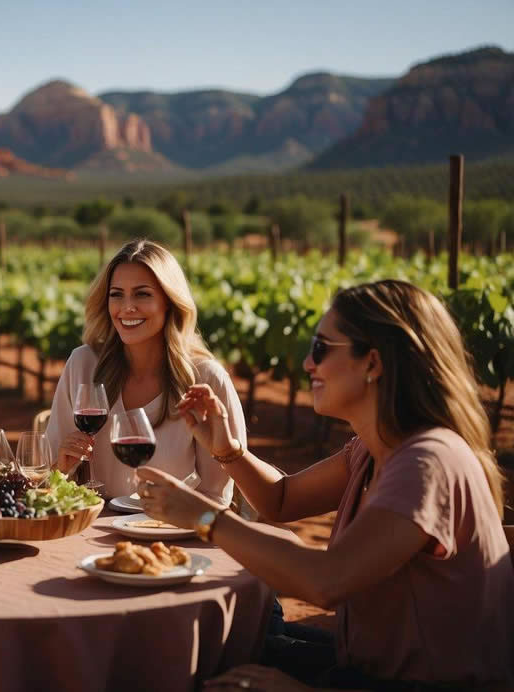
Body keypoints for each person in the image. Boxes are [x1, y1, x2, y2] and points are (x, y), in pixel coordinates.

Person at [138, 280, 514, 690]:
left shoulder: (427, 461)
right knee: (233, 645)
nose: (307, 365)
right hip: (365, 666)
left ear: (373, 363)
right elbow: (282, 500)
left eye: (321, 348)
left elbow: (328, 581)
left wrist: (204, 516)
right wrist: (228, 450)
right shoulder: (372, 450)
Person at [45, 239, 244, 506]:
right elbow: (48, 482)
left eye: (142, 294)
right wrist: (61, 467)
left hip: (173, 533)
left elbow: (216, 496)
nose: (127, 307)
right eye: (117, 294)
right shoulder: (83, 365)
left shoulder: (206, 379)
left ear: (169, 302)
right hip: (93, 530)